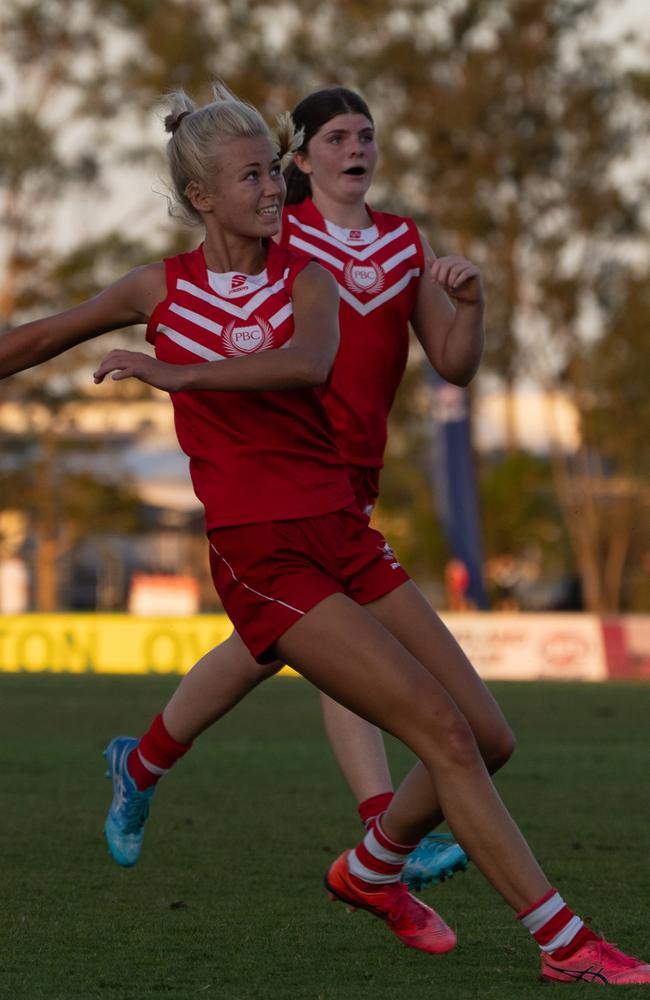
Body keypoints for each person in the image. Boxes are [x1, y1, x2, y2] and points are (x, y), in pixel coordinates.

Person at [1, 84, 647, 984]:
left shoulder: (306, 279)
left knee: (490, 737)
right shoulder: (160, 286)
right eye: (256, 175)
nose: (275, 190)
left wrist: (179, 374)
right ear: (203, 198)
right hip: (262, 555)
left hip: (342, 531)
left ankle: (373, 867)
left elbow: (311, 362)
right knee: (444, 736)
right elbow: (38, 339)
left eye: (274, 169)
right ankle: (565, 943)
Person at [101, 85, 502, 892]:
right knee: (325, 650)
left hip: (351, 475)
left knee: (269, 649)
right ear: (301, 155)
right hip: (288, 481)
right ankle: (381, 833)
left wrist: (472, 306)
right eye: (338, 137)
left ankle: (142, 763)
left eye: (368, 135)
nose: (357, 149)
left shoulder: (399, 243)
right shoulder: (280, 240)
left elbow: (453, 363)